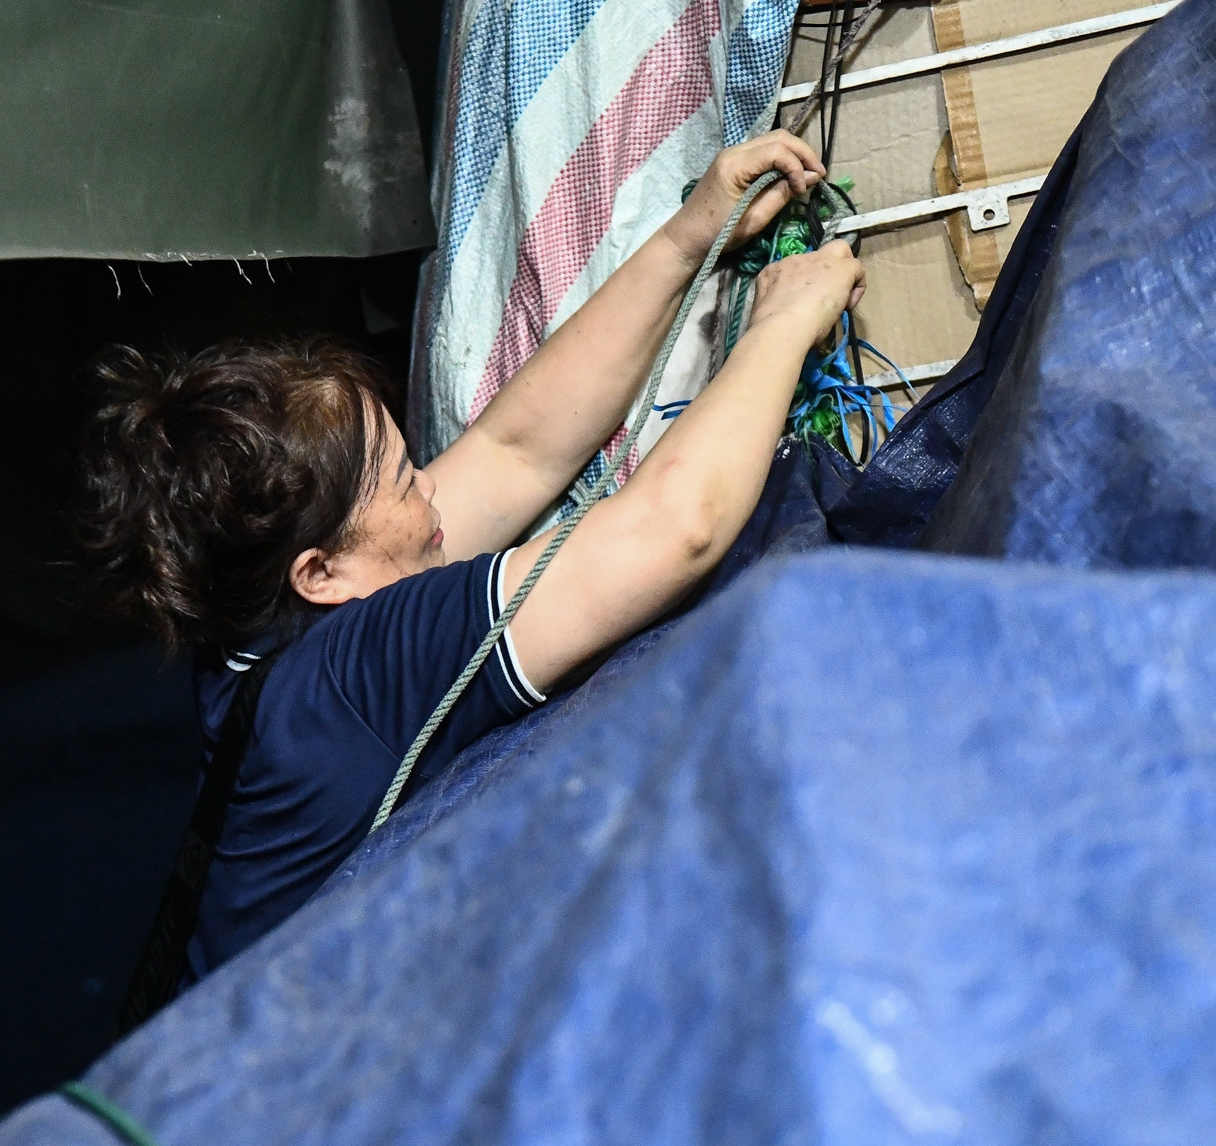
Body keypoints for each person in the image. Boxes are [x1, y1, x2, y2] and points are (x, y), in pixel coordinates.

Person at [77, 131, 864, 978]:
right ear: (320, 573)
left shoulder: (260, 606)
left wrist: (688, 237)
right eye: (400, 479)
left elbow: (514, 450)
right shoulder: (357, 670)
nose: (430, 487)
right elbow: (674, 529)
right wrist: (782, 324)